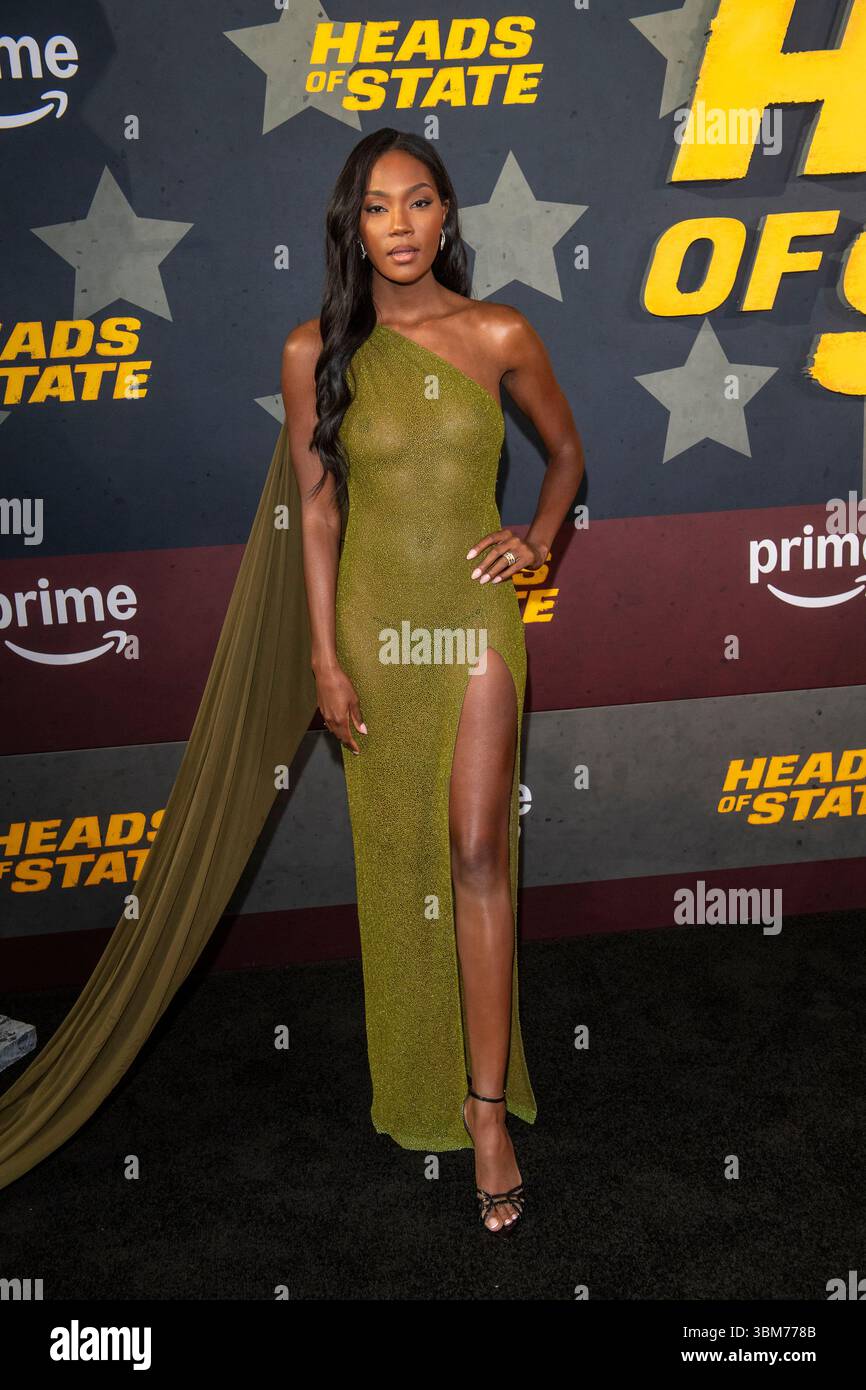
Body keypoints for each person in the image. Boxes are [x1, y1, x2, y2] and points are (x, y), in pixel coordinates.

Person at [281, 128, 585, 1233]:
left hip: (470, 620)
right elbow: (317, 511)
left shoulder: (499, 330)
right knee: (404, 857)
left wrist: (538, 538)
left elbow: (564, 454)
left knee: (472, 848)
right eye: (376, 207)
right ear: (350, 225)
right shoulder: (313, 348)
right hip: (370, 624)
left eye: (418, 203)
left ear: (446, 216)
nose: (399, 225)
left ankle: (487, 1109)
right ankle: (418, 1074)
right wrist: (323, 654)